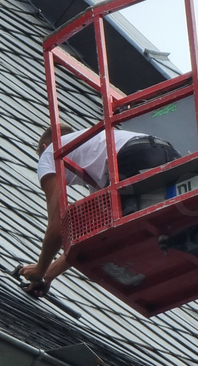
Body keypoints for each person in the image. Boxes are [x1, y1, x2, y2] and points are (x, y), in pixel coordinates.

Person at [20, 123, 180, 297]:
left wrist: (39, 268)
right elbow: (87, 237)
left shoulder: (49, 154)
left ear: (45, 146)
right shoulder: (100, 160)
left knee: (121, 234)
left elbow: (57, 228)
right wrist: (48, 276)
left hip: (133, 157)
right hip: (167, 152)